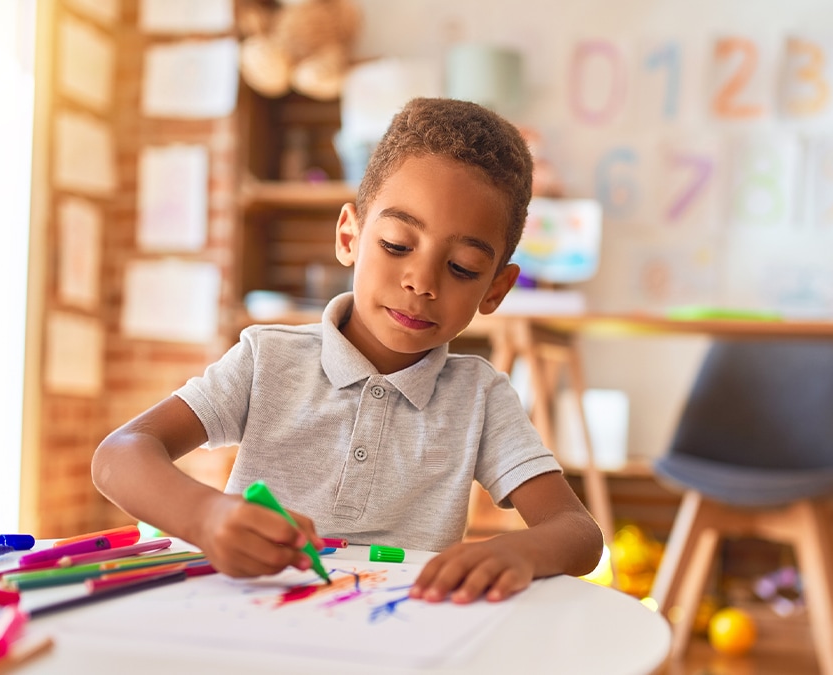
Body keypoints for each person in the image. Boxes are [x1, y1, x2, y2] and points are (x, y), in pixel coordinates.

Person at [91, 97, 603, 604]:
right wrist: (205, 517)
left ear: (495, 289)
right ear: (349, 235)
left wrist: (520, 552)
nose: (421, 282)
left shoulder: (481, 398)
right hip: (257, 621)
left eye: (463, 268)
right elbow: (120, 455)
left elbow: (579, 533)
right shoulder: (267, 358)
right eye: (398, 245)